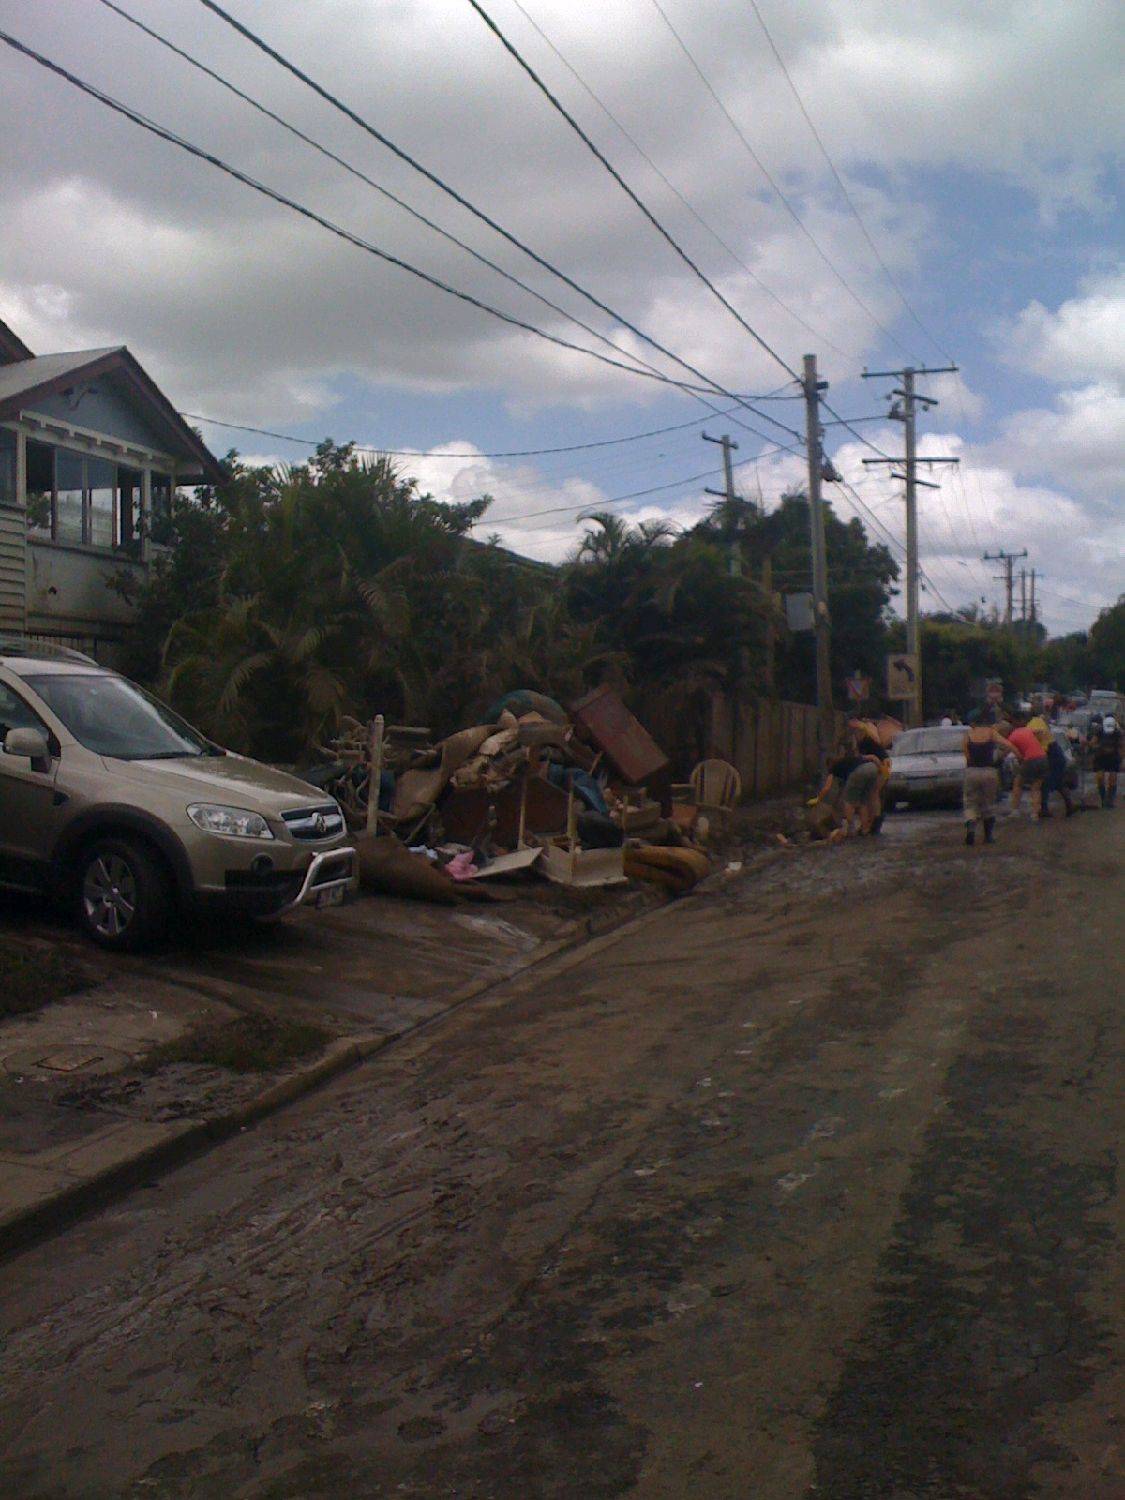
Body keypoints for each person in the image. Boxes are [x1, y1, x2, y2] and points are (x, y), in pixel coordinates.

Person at [962, 713, 1018, 845]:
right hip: (989, 771)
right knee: (989, 803)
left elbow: (967, 756)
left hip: (972, 772)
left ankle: (971, 828)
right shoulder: (991, 733)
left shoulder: (968, 735)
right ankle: (988, 836)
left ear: (974, 723)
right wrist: (1009, 755)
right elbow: (1008, 745)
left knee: (970, 803)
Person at [1008, 714, 1050, 817]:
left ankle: (1015, 810)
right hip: (1043, 758)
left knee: (1018, 783)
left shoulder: (1013, 736)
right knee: (1036, 787)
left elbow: (1016, 753)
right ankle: (1035, 813)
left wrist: (1021, 761)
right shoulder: (1028, 730)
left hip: (1030, 759)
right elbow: (1040, 733)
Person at [1040, 725, 1076, 819]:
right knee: (1058, 783)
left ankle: (1044, 809)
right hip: (1057, 759)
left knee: (1046, 784)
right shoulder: (1049, 735)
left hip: (1055, 760)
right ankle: (1069, 805)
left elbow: (1045, 751)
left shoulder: (1045, 738)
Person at [1092, 714, 1121, 808]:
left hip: (1113, 757)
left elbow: (1122, 745)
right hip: (1100, 757)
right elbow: (1093, 743)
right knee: (1100, 777)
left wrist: (1121, 758)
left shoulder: (1118, 732)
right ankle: (1103, 799)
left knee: (1113, 778)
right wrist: (1098, 747)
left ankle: (1110, 800)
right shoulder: (1099, 731)